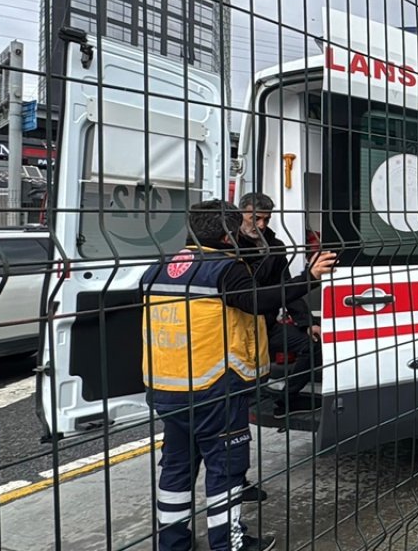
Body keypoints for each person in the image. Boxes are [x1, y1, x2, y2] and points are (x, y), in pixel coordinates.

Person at [142, 200, 336, 551]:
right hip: (213, 387)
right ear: (228, 233)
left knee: (175, 468)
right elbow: (258, 302)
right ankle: (228, 544)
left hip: (166, 386)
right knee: (226, 468)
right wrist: (309, 278)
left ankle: (171, 543)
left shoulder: (160, 267)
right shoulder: (223, 269)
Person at [236, 193, 323, 420]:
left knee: (312, 345)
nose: (261, 225)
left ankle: (286, 401)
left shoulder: (275, 247)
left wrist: (308, 323)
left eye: (266, 219)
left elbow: (285, 287)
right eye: (254, 218)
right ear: (241, 214)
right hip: (237, 326)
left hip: (266, 324)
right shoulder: (228, 246)